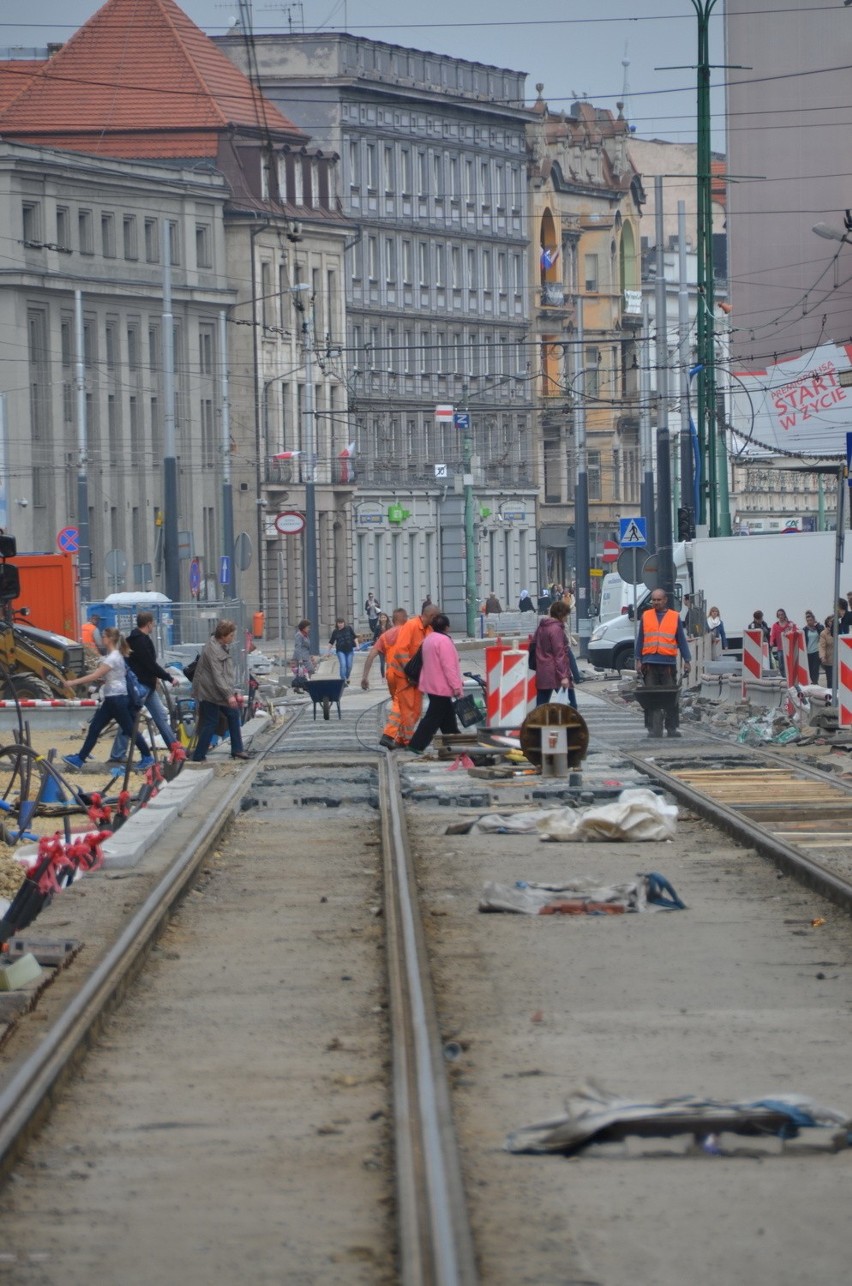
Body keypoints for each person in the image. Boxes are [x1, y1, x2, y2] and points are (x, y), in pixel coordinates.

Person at [63, 627, 153, 771]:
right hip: (113, 699)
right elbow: (105, 675)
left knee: (129, 729)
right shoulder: (114, 656)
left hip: (117, 699)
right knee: (95, 728)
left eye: (104, 636)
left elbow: (95, 675)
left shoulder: (113, 657)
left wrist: (72, 683)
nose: (102, 639)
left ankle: (147, 757)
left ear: (110, 639)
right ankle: (80, 759)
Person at [108, 611, 181, 763]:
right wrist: (168, 677)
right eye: (152, 623)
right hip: (141, 686)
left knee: (159, 716)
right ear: (148, 623)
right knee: (130, 719)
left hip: (146, 685)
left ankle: (175, 748)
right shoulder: (141, 641)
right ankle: (117, 754)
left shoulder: (134, 639)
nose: (153, 625)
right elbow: (150, 664)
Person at [191, 619, 252, 762]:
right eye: (231, 635)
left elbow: (223, 675)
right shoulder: (213, 649)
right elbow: (217, 675)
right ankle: (199, 755)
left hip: (215, 691)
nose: (233, 638)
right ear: (223, 635)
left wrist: (231, 692)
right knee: (211, 721)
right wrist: (228, 695)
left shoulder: (219, 645)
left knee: (232, 714)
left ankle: (237, 749)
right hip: (210, 692)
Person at [635, 588, 692, 738]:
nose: (656, 602)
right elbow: (640, 639)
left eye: (658, 600)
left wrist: (687, 660)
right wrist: (638, 660)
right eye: (653, 600)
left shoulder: (674, 617)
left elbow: (681, 640)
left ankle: (672, 728)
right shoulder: (646, 616)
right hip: (649, 663)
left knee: (671, 698)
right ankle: (652, 728)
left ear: (665, 600)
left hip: (667, 664)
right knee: (650, 698)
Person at [381, 602, 438, 748]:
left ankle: (401, 738)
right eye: (437, 617)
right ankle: (401, 738)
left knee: (416, 710)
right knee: (406, 708)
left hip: (416, 678)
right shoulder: (411, 626)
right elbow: (401, 651)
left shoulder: (430, 630)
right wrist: (409, 673)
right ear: (430, 616)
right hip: (403, 675)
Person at [407, 614, 463, 755]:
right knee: (433, 717)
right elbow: (449, 667)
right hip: (442, 687)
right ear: (447, 627)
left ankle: (453, 739)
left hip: (430, 684)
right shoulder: (444, 641)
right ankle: (416, 744)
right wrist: (457, 687)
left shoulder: (428, 639)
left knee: (447, 716)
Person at [531, 600, 574, 708]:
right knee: (572, 706)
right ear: (561, 614)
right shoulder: (556, 629)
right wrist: (564, 676)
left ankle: (537, 724)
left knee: (541, 707)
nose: (567, 618)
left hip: (543, 671)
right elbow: (559, 653)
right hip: (556, 674)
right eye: (566, 615)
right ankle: (571, 725)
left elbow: (533, 646)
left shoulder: (542, 627)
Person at [361, 608, 407, 690]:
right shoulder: (411, 632)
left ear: (392, 620)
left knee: (397, 700)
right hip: (408, 675)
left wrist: (365, 677)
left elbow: (370, 657)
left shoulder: (384, 636)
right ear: (405, 619)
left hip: (391, 675)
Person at [329, 616, 357, 685]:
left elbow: (354, 637)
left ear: (344, 623)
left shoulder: (349, 628)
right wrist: (328, 651)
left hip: (349, 650)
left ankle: (347, 677)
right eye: (339, 623)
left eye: (342, 623)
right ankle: (343, 680)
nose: (340, 624)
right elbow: (331, 641)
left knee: (349, 665)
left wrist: (357, 645)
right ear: (337, 624)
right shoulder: (335, 631)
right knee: (343, 664)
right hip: (340, 650)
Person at [769, 608, 798, 673]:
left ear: (784, 615)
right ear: (777, 616)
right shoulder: (775, 625)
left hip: (789, 647)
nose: (781, 616)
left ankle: (790, 675)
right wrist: (771, 641)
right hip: (780, 648)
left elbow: (796, 630)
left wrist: (791, 630)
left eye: (782, 614)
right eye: (779, 615)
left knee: (789, 663)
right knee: (781, 664)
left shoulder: (790, 624)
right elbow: (772, 635)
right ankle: (784, 676)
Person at [291, 619, 315, 692]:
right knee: (309, 670)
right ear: (303, 627)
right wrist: (300, 659)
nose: (309, 629)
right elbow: (298, 647)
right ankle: (306, 685)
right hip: (301, 656)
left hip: (305, 656)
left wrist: (310, 656)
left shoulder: (305, 635)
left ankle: (297, 687)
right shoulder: (299, 635)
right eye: (308, 627)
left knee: (300, 672)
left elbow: (306, 647)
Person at [802, 610, 822, 684]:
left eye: (810, 620)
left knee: (815, 669)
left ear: (814, 619)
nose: (809, 622)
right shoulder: (805, 629)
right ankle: (811, 682)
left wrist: (817, 626)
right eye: (807, 620)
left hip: (816, 651)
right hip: (808, 652)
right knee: (809, 669)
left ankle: (815, 682)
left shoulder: (818, 627)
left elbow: (822, 634)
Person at [819, 614, 836, 690]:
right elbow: (822, 646)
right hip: (829, 660)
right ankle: (830, 696)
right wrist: (822, 656)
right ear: (828, 622)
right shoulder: (824, 633)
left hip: (839, 661)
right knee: (830, 680)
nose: (833, 622)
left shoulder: (839, 630)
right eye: (831, 621)